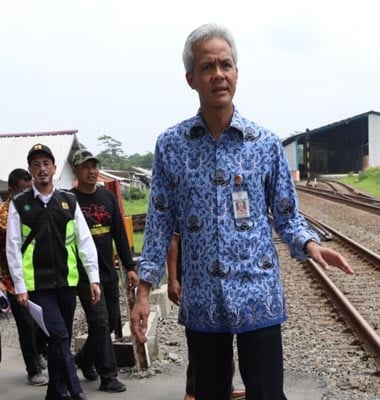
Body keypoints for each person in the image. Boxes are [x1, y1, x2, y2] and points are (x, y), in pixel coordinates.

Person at [130, 23, 353, 400]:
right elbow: (159, 221)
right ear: (191, 78)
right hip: (202, 299)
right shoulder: (171, 146)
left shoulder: (264, 143)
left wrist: (311, 246)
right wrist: (143, 291)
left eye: (226, 65)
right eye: (207, 67)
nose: (218, 74)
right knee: (210, 393)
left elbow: (286, 215)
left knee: (267, 394)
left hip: (258, 295)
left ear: (236, 73)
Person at [6, 143, 101, 400]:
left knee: (61, 339)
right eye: (36, 164)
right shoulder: (20, 204)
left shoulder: (68, 201)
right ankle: (76, 391)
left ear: (55, 168)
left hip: (66, 282)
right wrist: (20, 287)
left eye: (46, 163)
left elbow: (84, 242)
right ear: (30, 170)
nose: (42, 169)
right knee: (59, 335)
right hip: (37, 286)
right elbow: (13, 248)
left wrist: (93, 278)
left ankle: (55, 393)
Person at [69, 148, 139, 393]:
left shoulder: (107, 198)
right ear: (76, 170)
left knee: (110, 322)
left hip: (108, 271)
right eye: (86, 167)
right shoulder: (69, 200)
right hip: (84, 274)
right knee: (99, 321)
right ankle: (108, 376)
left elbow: (119, 232)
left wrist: (130, 266)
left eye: (95, 166)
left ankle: (84, 359)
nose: (92, 171)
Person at [167, 232, 246, 400]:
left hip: (218, 280)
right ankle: (193, 390)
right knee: (198, 337)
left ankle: (226, 386)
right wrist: (173, 279)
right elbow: (173, 239)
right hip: (193, 279)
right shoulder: (185, 206)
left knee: (223, 334)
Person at [0, 168, 49, 386]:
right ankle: (33, 369)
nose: (27, 194)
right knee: (26, 325)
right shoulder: (2, 218)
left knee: (43, 320)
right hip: (10, 280)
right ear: (11, 191)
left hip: (36, 275)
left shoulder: (34, 208)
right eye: (22, 191)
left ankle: (39, 353)